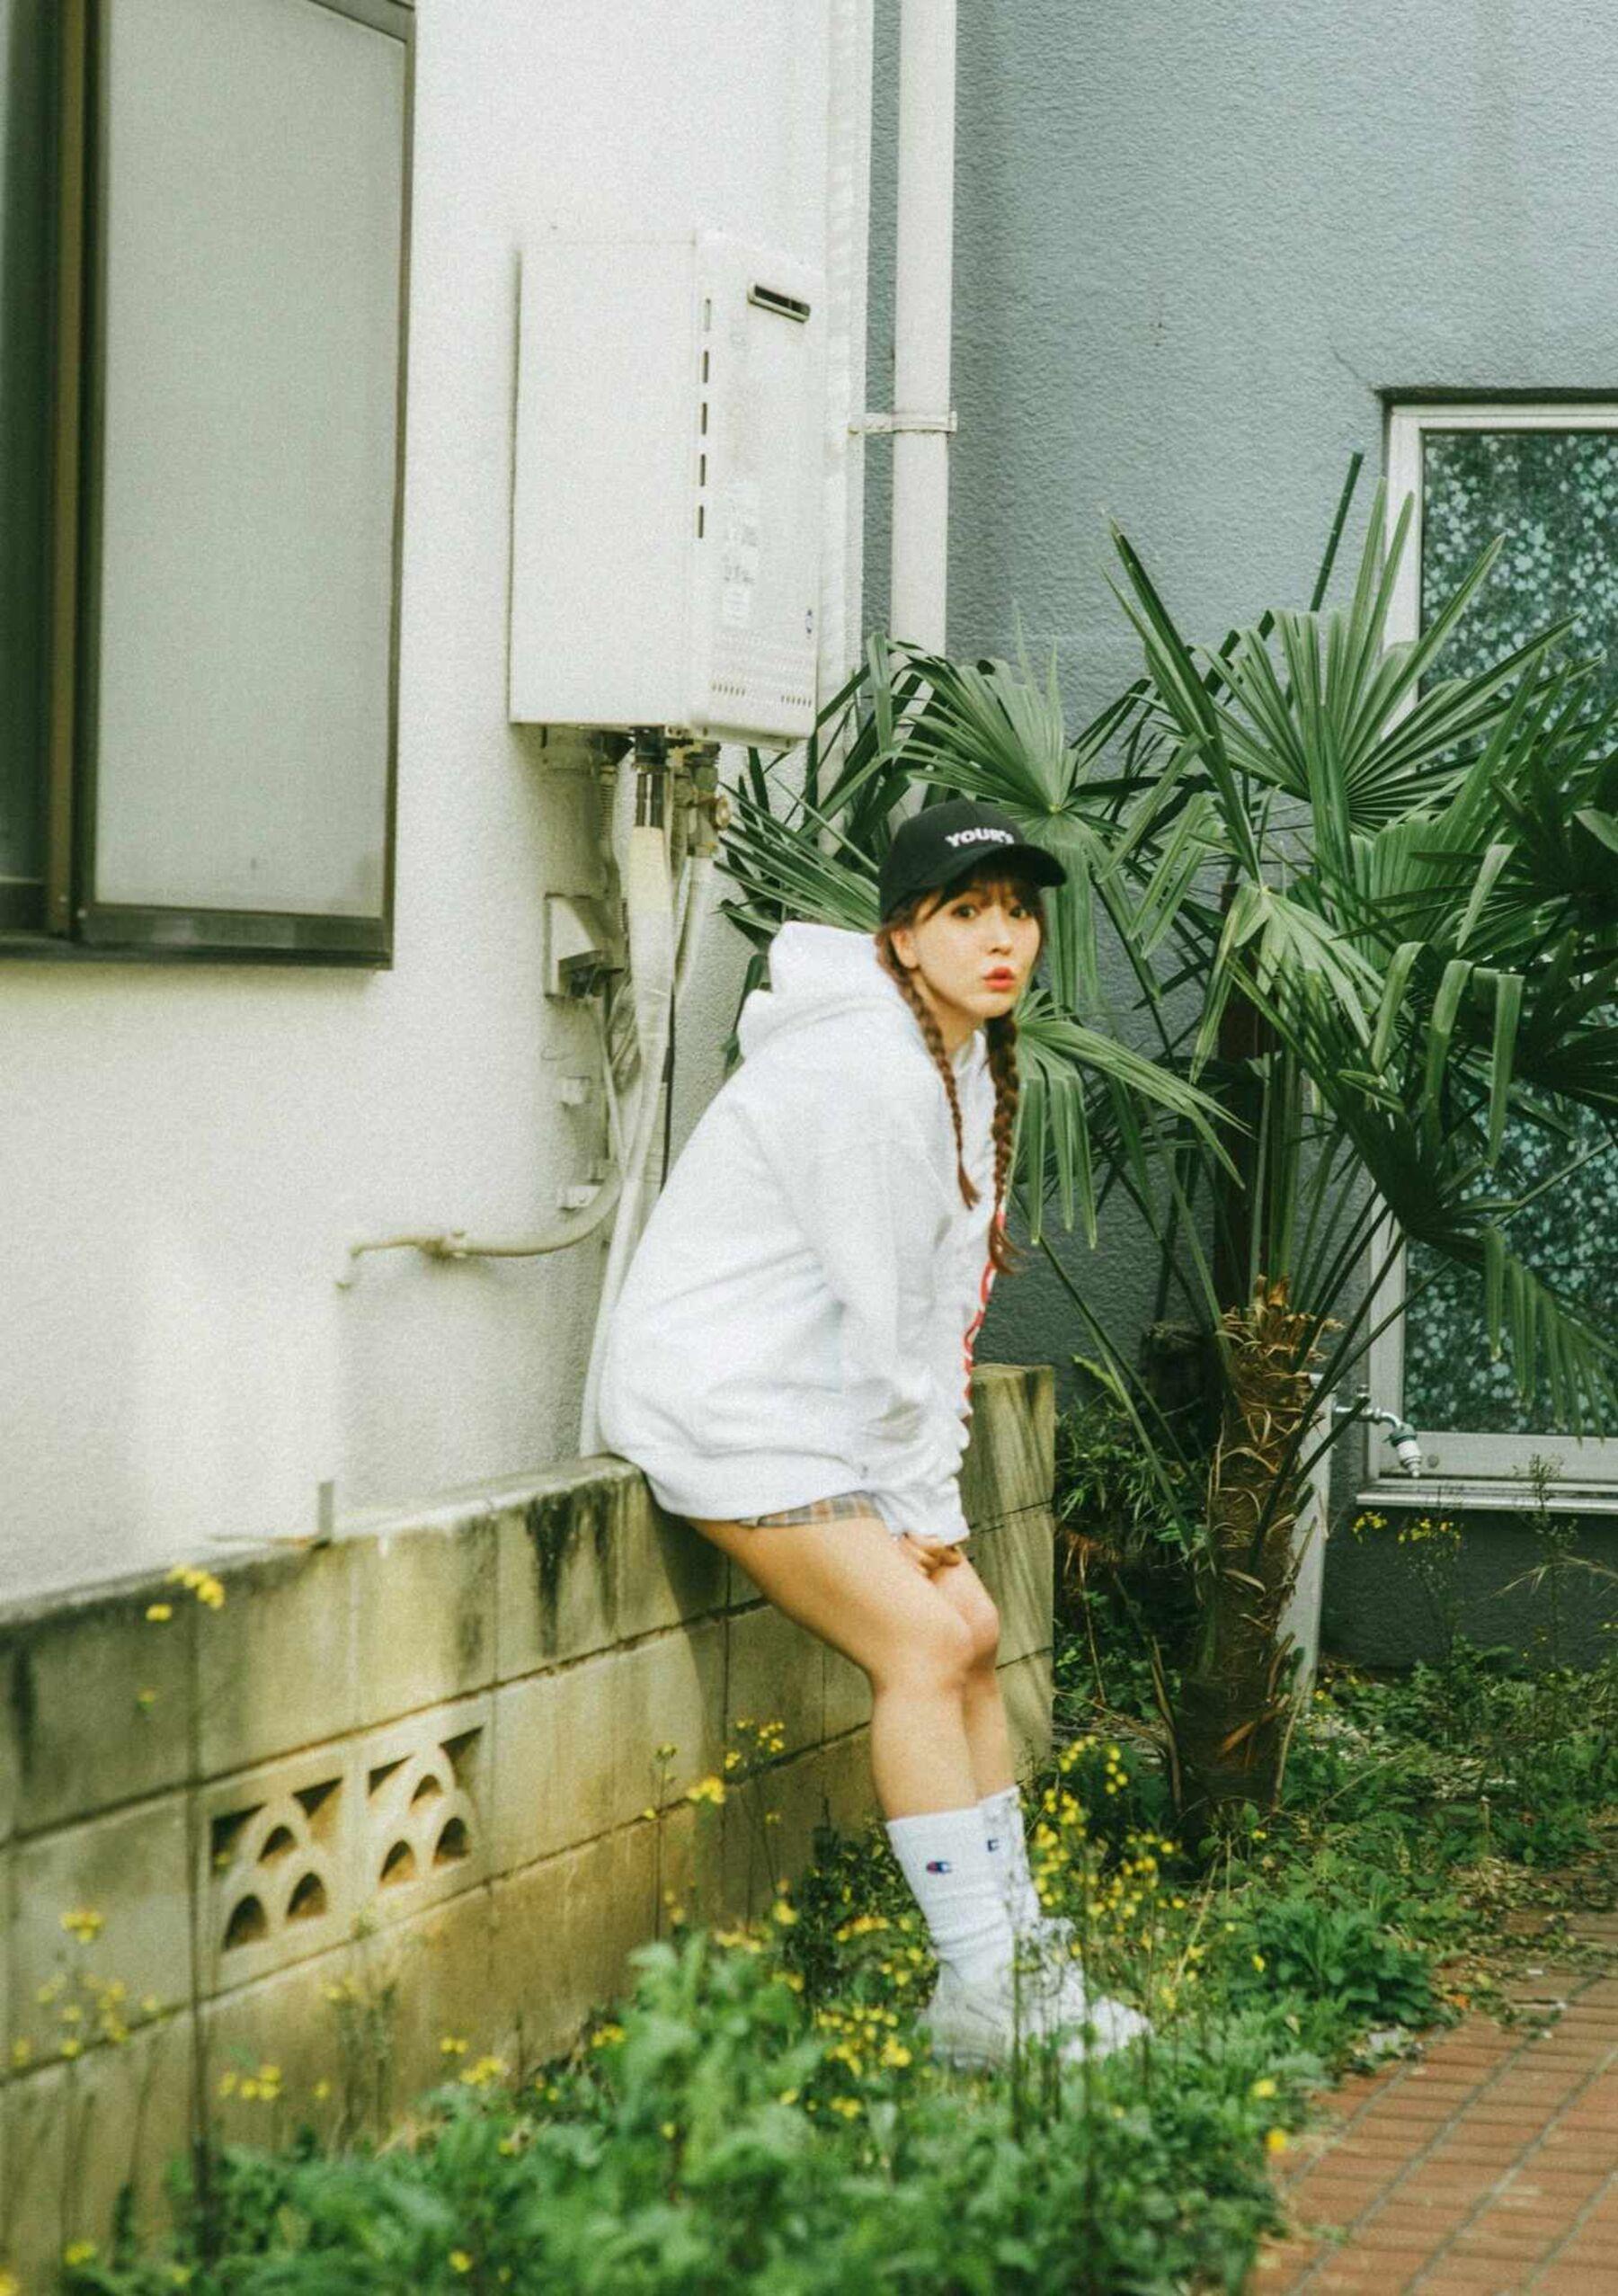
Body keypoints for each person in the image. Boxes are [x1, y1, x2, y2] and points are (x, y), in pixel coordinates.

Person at [598, 796, 1146, 2068]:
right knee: (922, 1639)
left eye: (1018, 912)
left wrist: (925, 1506)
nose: (1002, 938)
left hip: (816, 1407)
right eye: (966, 912)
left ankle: (1013, 1962)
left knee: (974, 1630)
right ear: (902, 937)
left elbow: (940, 1312)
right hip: (728, 1405)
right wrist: (925, 1512)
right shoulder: (868, 1070)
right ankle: (983, 1988)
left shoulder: (956, 1059)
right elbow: (891, 1319)